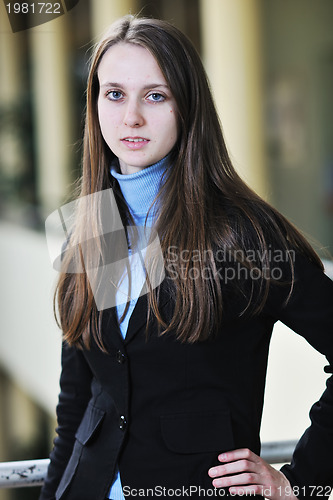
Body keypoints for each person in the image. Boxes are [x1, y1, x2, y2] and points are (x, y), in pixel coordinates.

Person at [40, 15, 333, 500]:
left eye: (155, 95)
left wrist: (298, 485)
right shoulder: (95, 227)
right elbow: (77, 404)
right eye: (114, 93)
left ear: (187, 105)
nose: (131, 116)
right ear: (95, 106)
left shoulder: (242, 233)